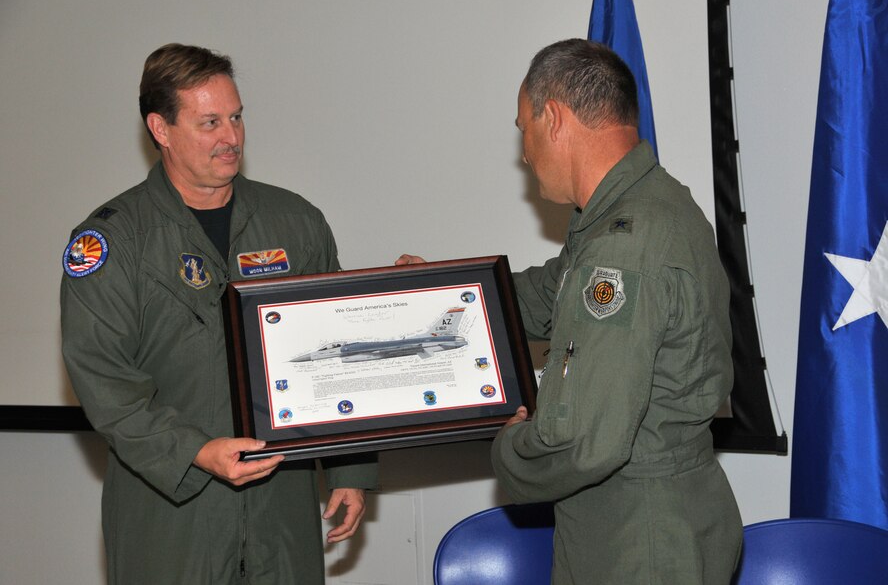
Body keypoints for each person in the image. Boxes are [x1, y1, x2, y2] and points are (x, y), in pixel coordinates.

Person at [399, 39, 742, 583]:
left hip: (638, 538)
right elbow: (543, 297)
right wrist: (437, 294)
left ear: (553, 118)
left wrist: (508, 448)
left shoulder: (621, 249)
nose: (526, 153)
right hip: (657, 519)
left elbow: (584, 442)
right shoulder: (646, 210)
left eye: (524, 130)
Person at [60, 43, 377, 584]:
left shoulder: (295, 221)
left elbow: (339, 350)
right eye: (209, 122)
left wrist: (350, 468)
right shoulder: (114, 239)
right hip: (171, 508)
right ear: (161, 128)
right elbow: (104, 379)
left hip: (282, 504)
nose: (231, 137)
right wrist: (197, 452)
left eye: (235, 117)